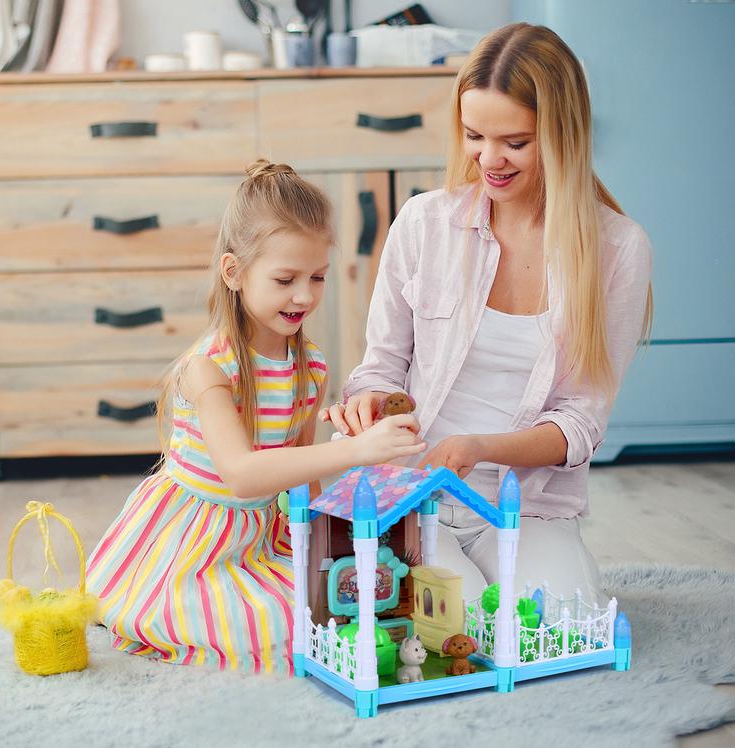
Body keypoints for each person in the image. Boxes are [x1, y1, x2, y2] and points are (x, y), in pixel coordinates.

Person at [321, 23, 653, 607]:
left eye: (515, 142)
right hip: (417, 492)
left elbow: (580, 424)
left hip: (531, 506)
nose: (489, 159)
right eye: (475, 135)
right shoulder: (425, 224)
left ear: (561, 135)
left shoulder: (618, 249)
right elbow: (381, 367)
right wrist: (368, 404)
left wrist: (482, 447)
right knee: (453, 626)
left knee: (553, 627)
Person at [86, 160, 425, 672]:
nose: (305, 295)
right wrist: (354, 451)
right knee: (281, 626)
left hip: (263, 537)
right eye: (286, 279)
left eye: (317, 277)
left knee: (337, 606)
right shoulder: (208, 368)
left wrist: (326, 551)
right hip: (192, 544)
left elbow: (302, 479)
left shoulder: (309, 367)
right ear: (234, 272)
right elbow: (242, 475)